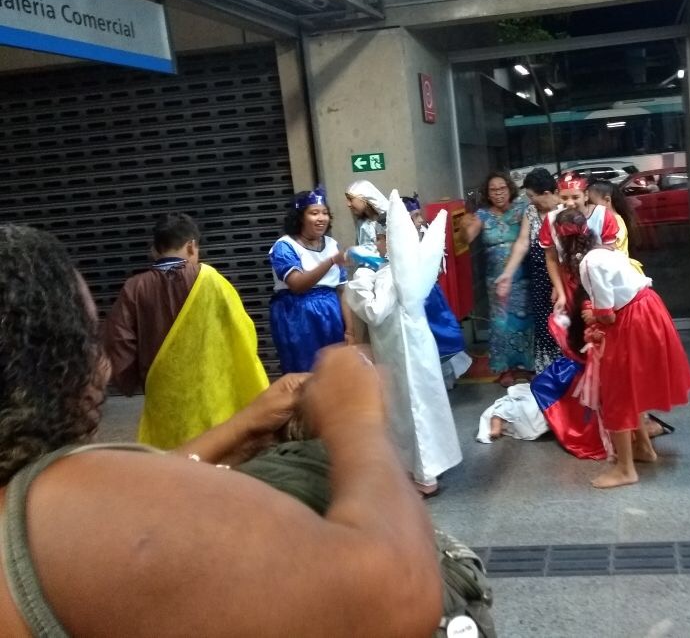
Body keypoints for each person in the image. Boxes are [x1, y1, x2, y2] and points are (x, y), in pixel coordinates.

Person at [0, 224, 443, 637]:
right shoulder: (61, 507)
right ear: (49, 359)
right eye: (88, 336)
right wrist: (355, 418)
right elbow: (397, 593)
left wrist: (245, 427)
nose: (101, 364)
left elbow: (147, 491)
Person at [554, 208, 690, 488]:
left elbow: (607, 315)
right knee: (631, 387)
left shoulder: (588, 265)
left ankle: (625, 469)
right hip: (648, 311)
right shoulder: (606, 251)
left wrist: (593, 320)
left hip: (632, 320)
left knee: (617, 391)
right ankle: (643, 448)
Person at [104, 213, 269, 449]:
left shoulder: (135, 287)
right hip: (208, 389)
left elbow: (119, 340)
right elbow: (241, 330)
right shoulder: (212, 280)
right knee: (213, 449)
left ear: (154, 250)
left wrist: (130, 381)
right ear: (192, 246)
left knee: (169, 453)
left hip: (162, 392)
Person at [346, 192, 463, 497]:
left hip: (399, 350)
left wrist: (360, 279)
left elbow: (374, 311)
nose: (377, 244)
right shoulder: (415, 268)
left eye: (380, 238)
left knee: (408, 408)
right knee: (426, 400)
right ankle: (432, 465)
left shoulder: (388, 275)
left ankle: (422, 475)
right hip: (418, 344)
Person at [268, 187, 352, 372]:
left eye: (325, 213)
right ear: (300, 217)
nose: (321, 218)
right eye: (314, 213)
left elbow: (342, 290)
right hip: (297, 314)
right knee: (304, 370)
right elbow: (297, 285)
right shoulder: (284, 246)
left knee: (334, 370)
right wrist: (330, 261)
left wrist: (350, 330)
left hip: (331, 310)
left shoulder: (332, 245)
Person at [460, 171, 533, 383]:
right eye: (493, 190)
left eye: (502, 188)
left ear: (510, 189)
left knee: (526, 319)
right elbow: (467, 238)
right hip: (496, 278)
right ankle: (505, 369)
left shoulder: (523, 209)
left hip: (523, 276)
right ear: (487, 193)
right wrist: (463, 225)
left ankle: (529, 366)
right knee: (501, 323)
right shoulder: (482, 215)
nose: (498, 193)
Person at [496, 167, 564, 374]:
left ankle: (567, 372)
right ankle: (549, 374)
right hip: (539, 279)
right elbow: (522, 243)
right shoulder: (531, 211)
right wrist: (507, 273)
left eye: (532, 196)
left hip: (563, 278)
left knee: (564, 325)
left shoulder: (565, 211)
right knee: (544, 326)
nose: (530, 200)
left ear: (547, 193)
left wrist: (559, 285)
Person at [402, 193, 473, 387]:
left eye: (420, 215)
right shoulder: (399, 244)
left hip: (431, 297)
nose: (420, 220)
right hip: (414, 300)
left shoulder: (425, 235)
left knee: (441, 336)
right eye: (414, 216)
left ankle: (444, 380)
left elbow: (439, 267)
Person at [538, 171, 620, 315]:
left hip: (599, 278)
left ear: (586, 195)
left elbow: (612, 250)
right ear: (557, 195)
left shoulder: (602, 215)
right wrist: (560, 291)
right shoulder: (551, 220)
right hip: (569, 280)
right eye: (564, 197)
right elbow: (551, 259)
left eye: (575, 197)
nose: (570, 203)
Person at [588, 180, 644, 274]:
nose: (589, 207)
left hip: (619, 272)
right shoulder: (612, 219)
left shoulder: (615, 222)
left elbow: (611, 249)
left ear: (607, 200)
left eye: (591, 203)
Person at [345, 179, 389, 248]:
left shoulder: (388, 221)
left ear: (364, 198)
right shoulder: (362, 224)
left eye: (350, 199)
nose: (348, 204)